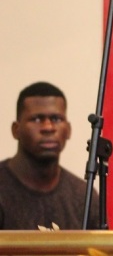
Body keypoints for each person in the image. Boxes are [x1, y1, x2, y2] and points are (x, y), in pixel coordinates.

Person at [0, 82, 98, 230]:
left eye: (56, 119)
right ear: (16, 130)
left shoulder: (83, 196)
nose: (48, 128)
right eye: (37, 119)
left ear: (68, 130)